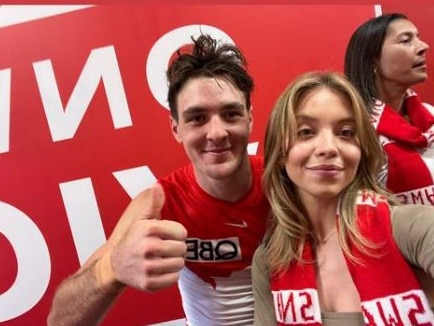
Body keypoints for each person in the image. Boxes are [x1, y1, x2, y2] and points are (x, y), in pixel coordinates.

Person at [47, 34, 269, 326]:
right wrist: (111, 271)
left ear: (250, 118)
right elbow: (59, 321)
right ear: (176, 128)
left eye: (230, 114)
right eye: (197, 118)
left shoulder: (284, 182)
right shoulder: (160, 202)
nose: (216, 132)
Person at [252, 71, 434, 325]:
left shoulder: (406, 227)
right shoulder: (269, 261)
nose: (328, 147)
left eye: (346, 132)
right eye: (306, 132)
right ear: (280, 153)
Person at [344, 13, 433, 205]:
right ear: (373, 59)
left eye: (418, 37)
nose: (423, 46)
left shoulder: (430, 114)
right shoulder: (353, 129)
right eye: (406, 40)